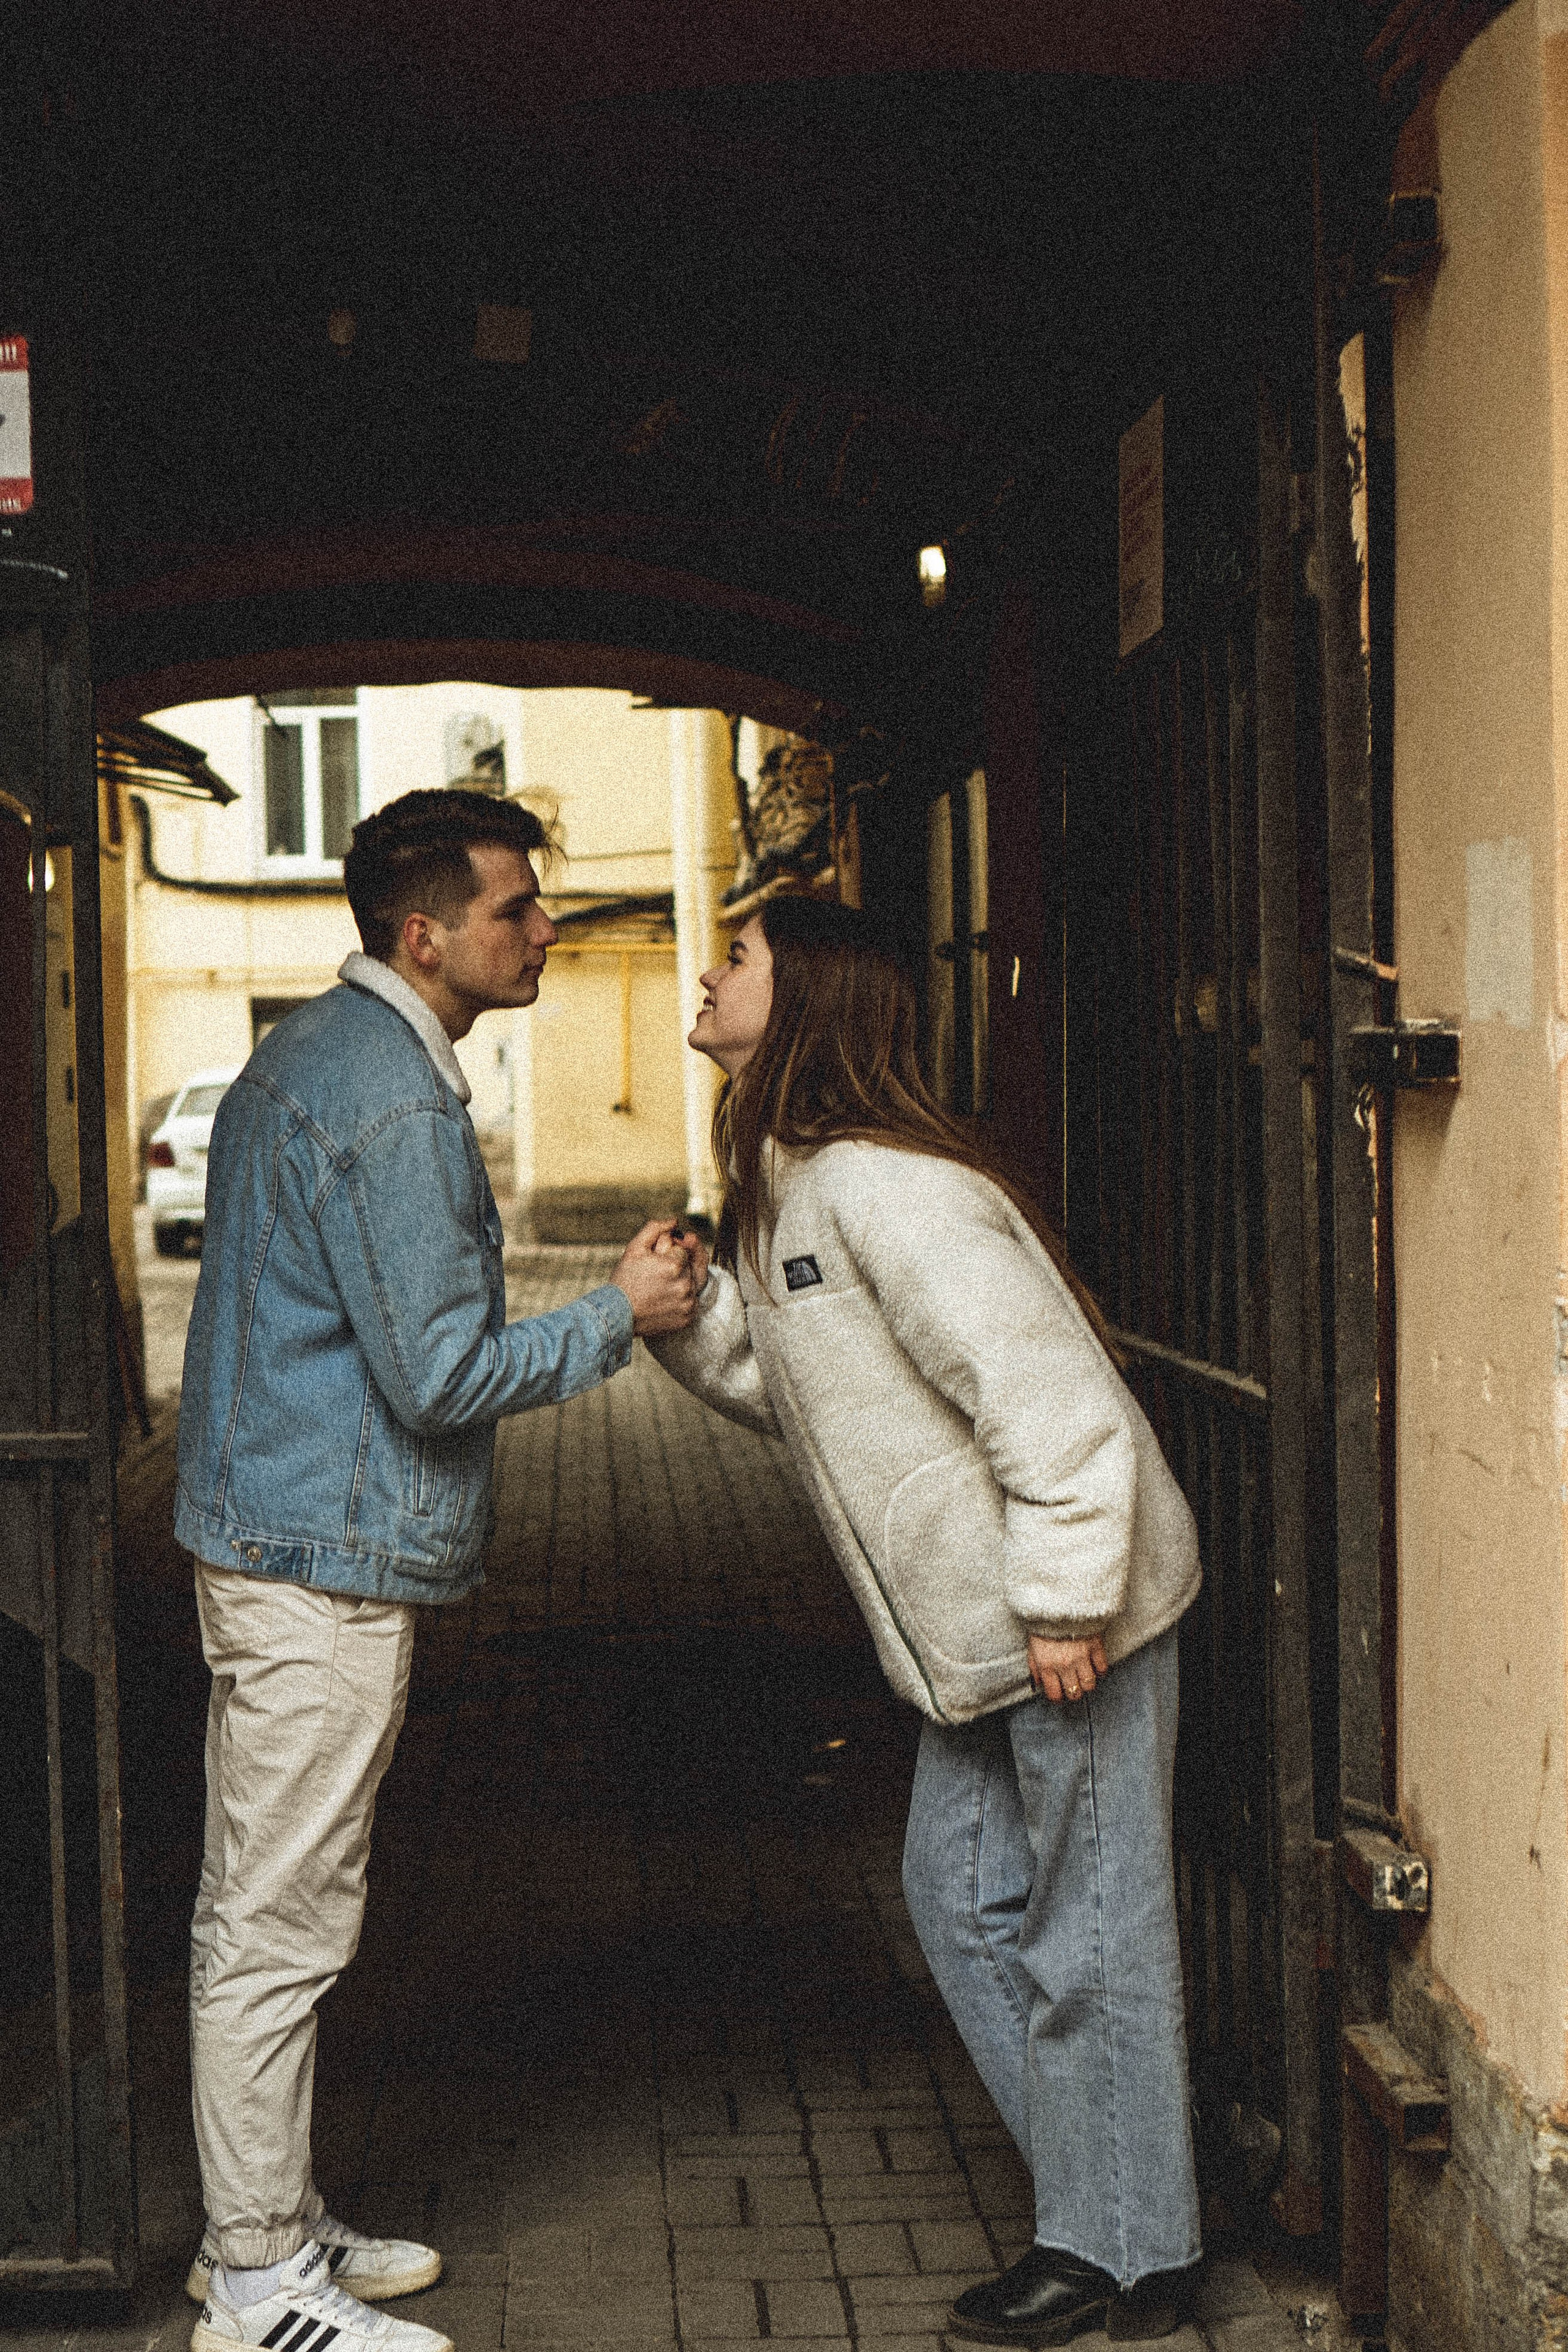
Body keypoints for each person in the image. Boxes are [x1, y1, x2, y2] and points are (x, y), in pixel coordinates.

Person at [175, 788, 702, 2352]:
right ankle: (260, 2288)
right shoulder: (395, 1100)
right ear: (426, 934)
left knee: (259, 1908)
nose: (546, 928)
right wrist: (619, 1313)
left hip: (268, 1534)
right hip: (316, 1563)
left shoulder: (308, 1054)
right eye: (514, 910)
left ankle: (259, 2226)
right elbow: (441, 1373)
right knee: (281, 1926)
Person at [646, 897, 1203, 2345]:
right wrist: (690, 1327)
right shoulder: (791, 1182)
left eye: (742, 955)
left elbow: (1049, 1400)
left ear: (808, 991)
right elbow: (810, 1405)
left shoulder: (888, 1188)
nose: (711, 971)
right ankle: (1123, 2194)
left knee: (1090, 1935)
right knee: (961, 1906)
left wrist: (1069, 1596)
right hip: (977, 1648)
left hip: (1061, 1621)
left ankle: (1125, 2249)